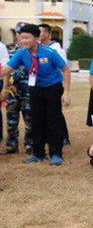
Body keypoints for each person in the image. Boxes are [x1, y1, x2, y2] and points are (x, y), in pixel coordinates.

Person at [1, 24, 71, 165]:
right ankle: (38, 153)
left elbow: (66, 70)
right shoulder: (21, 53)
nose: (23, 41)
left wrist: (67, 92)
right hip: (35, 88)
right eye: (21, 38)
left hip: (53, 87)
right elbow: (6, 69)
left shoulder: (49, 52)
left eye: (27, 38)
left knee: (53, 120)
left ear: (37, 38)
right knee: (36, 121)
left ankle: (56, 153)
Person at [39, 24, 70, 145]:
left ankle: (63, 136)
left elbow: (63, 68)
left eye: (41, 32)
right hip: (42, 85)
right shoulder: (38, 48)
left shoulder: (56, 49)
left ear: (48, 34)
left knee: (56, 112)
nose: (38, 34)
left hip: (54, 85)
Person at [4, 48, 32, 155]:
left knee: (30, 119)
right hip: (13, 93)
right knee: (11, 120)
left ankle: (30, 145)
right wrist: (6, 88)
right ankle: (11, 145)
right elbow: (6, 71)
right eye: (19, 35)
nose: (21, 38)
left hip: (28, 92)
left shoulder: (33, 53)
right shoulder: (11, 53)